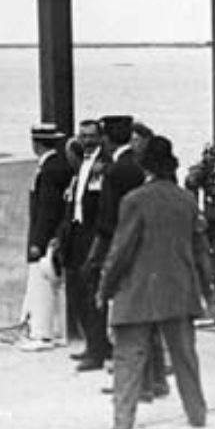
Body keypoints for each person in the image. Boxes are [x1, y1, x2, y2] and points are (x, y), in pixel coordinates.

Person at [97, 135, 212, 429]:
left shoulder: (134, 201)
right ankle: (197, 413)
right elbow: (200, 250)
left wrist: (105, 288)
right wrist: (207, 289)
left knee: (128, 357)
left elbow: (121, 251)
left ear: (144, 165)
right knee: (185, 356)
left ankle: (123, 422)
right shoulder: (187, 200)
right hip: (179, 287)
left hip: (139, 288)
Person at [77, 115, 144, 372]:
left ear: (106, 138)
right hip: (130, 238)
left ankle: (97, 351)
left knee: (97, 292)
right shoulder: (133, 164)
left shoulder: (116, 170)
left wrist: (97, 250)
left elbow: (109, 214)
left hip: (113, 240)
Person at [19, 122, 71, 351]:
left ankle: (41, 333)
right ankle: (57, 331)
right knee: (56, 286)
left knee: (41, 286)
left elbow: (46, 210)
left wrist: (38, 242)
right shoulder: (60, 166)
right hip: (57, 235)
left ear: (36, 144)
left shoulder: (48, 170)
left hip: (45, 238)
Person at [61, 119, 106, 355]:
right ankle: (92, 341)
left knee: (91, 291)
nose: (87, 141)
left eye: (91, 136)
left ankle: (97, 346)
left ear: (99, 137)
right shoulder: (81, 165)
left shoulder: (103, 164)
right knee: (77, 290)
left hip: (92, 233)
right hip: (76, 232)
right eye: (83, 136)